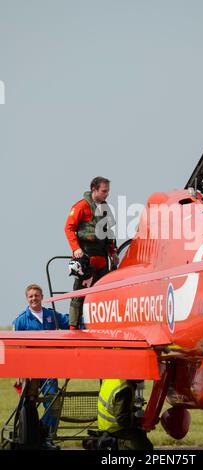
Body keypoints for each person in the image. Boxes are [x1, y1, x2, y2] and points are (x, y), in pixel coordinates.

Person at [13, 284, 69, 450]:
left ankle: (45, 435)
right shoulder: (21, 320)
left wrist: (85, 321)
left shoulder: (51, 315)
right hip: (29, 370)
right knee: (27, 404)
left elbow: (68, 322)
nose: (34, 299)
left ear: (42, 296)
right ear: (27, 299)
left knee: (53, 401)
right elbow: (16, 349)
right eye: (30, 296)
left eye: (36, 295)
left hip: (49, 368)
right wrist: (19, 372)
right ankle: (26, 435)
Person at [65, 176, 118, 329]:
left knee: (104, 293)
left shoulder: (106, 208)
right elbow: (68, 228)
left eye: (107, 191)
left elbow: (109, 233)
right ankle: (73, 328)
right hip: (86, 258)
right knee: (79, 293)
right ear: (94, 189)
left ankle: (102, 327)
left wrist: (112, 253)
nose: (107, 194)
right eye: (104, 191)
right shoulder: (81, 206)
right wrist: (76, 249)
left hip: (102, 258)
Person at [97, 379, 153, 451]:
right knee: (145, 445)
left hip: (105, 425)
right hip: (116, 428)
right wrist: (138, 419)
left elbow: (119, 406)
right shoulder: (124, 389)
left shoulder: (111, 379)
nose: (143, 379)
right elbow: (123, 420)